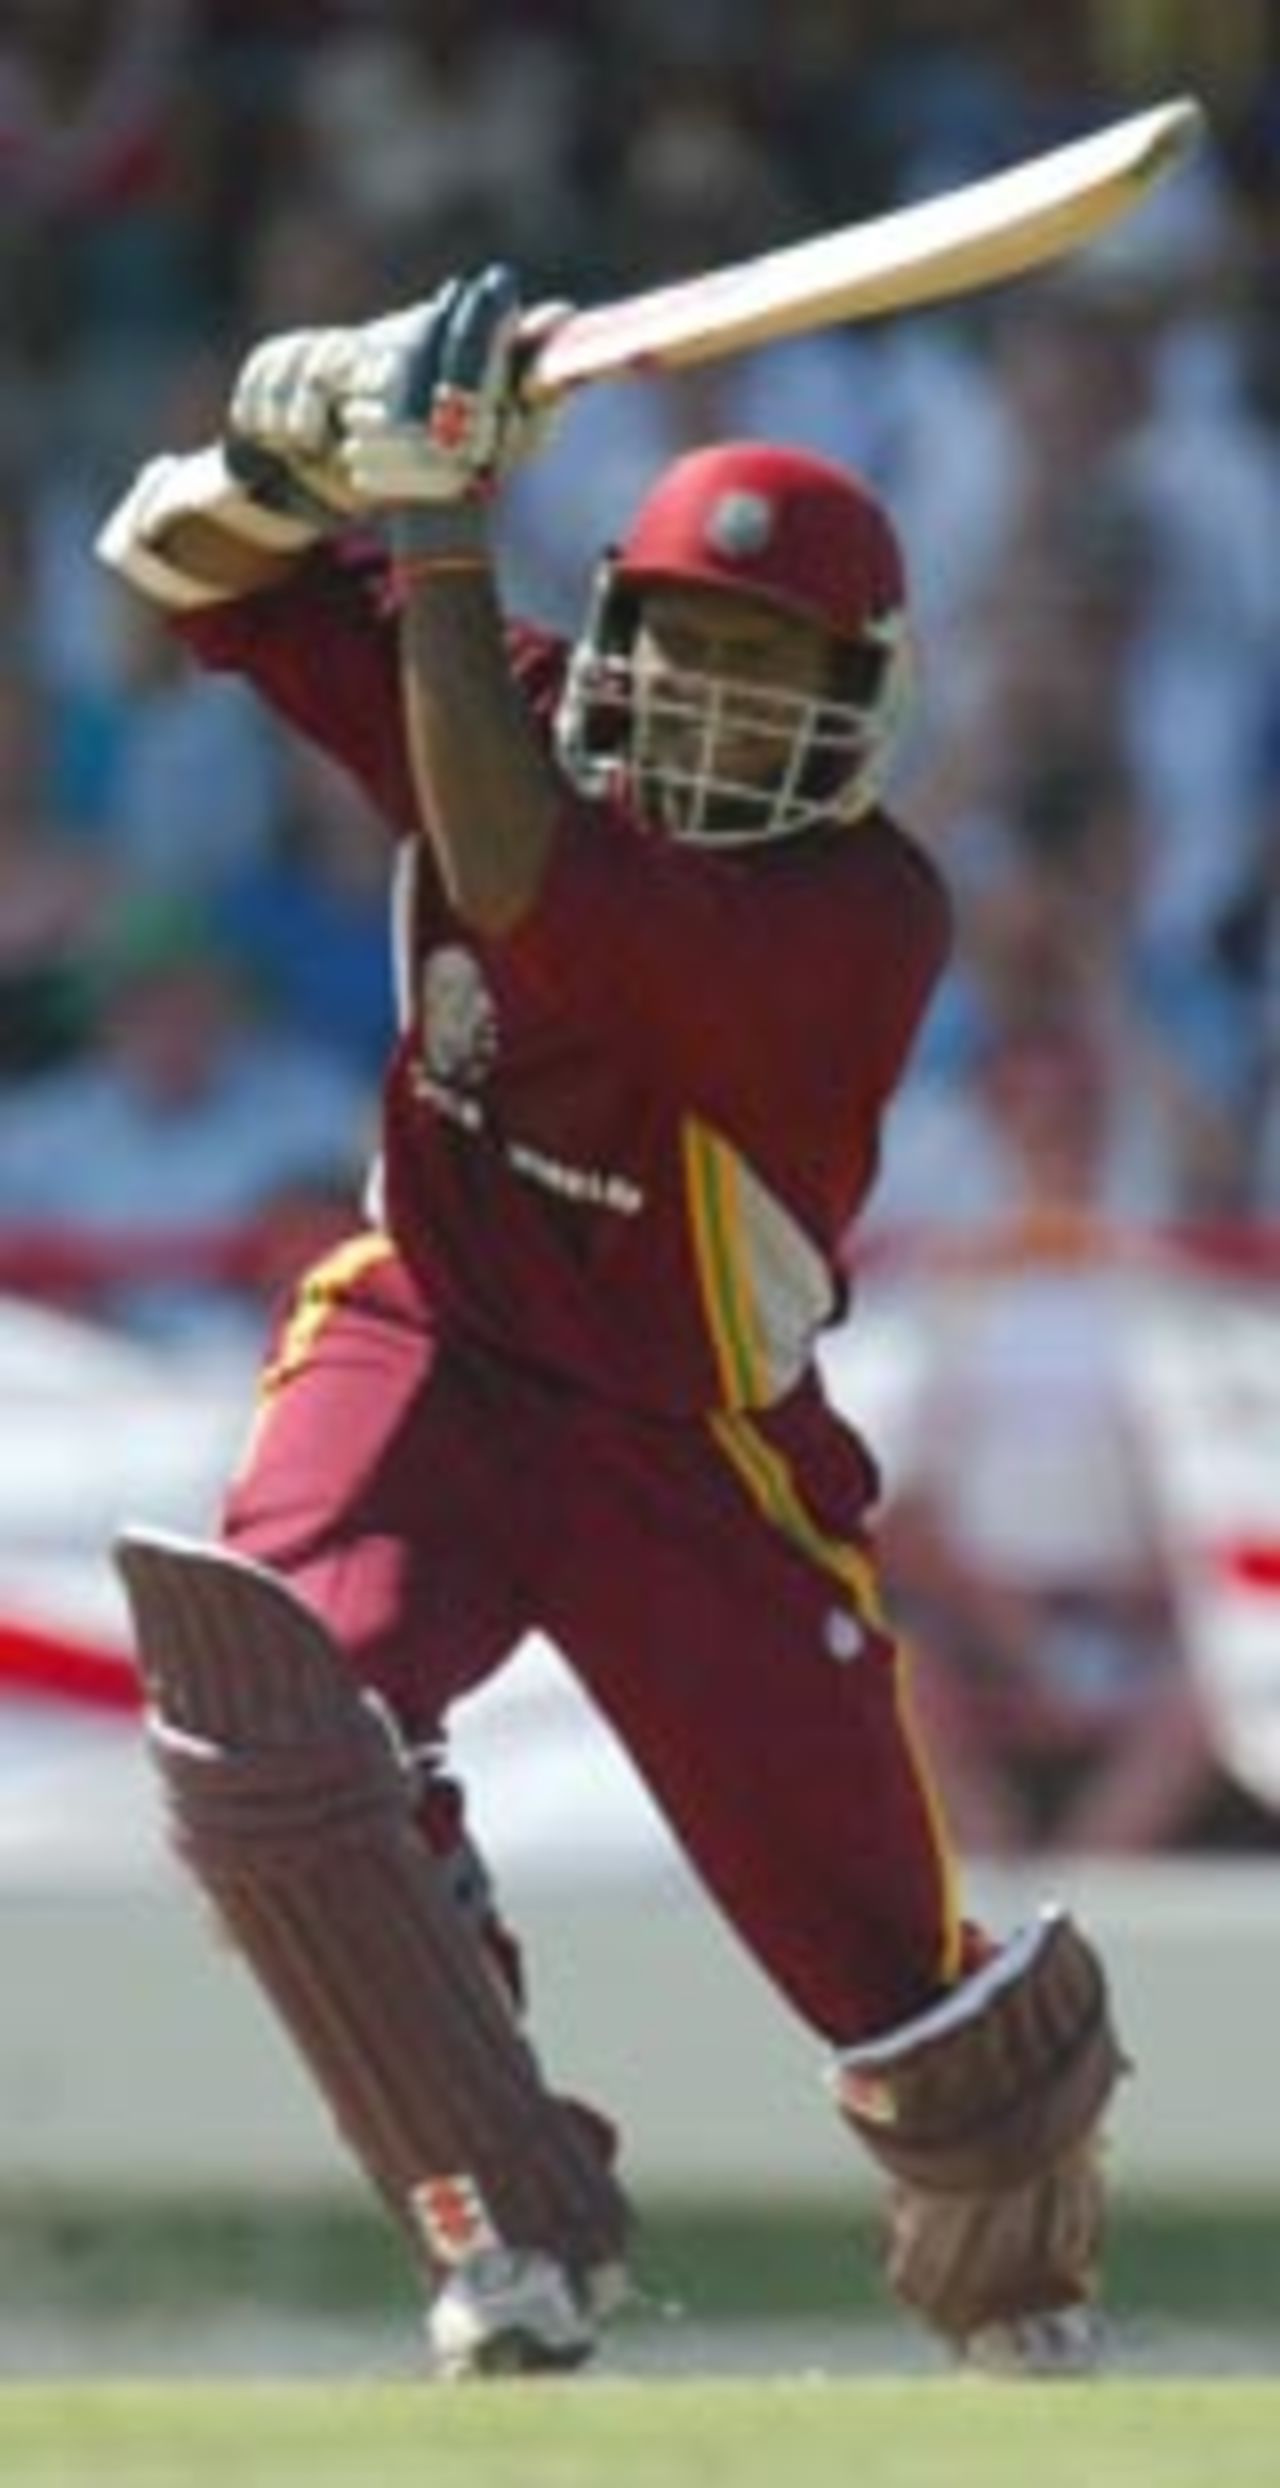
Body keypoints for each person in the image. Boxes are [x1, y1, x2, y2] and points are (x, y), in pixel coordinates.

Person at [95, 264, 1125, 2381]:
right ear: (621, 645)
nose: (727, 712)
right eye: (697, 654)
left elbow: (511, 860)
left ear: (861, 699)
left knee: (911, 1997)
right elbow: (171, 561)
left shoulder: (860, 918)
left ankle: (1029, 2324)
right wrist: (294, 435)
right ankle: (507, 2219)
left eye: (777, 673)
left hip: (697, 1443)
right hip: (433, 1342)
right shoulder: (507, 691)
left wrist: (433, 523)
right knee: (279, 1721)